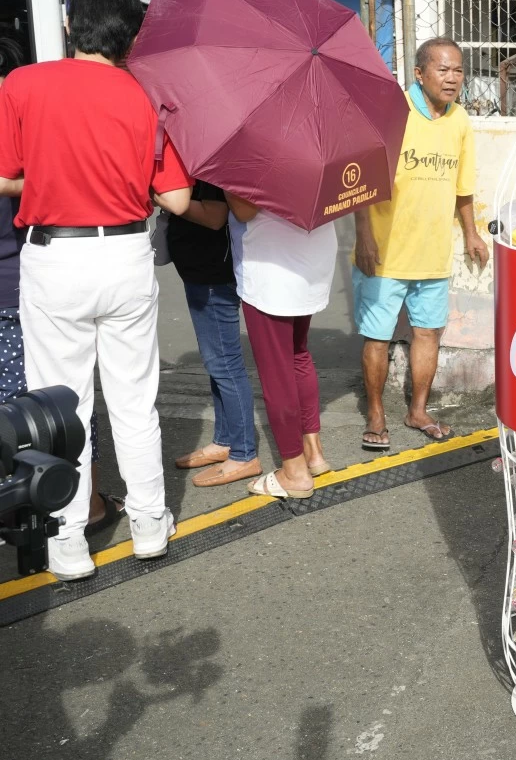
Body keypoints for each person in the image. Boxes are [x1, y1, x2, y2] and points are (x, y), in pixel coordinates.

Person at [0, 0, 192, 581]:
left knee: (61, 403)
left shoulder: (24, 84)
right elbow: (179, 197)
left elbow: (6, 177)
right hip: (127, 253)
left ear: (70, 23)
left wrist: (56, 183)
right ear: (130, 36)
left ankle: (68, 545)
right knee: (135, 400)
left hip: (55, 256)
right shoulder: (149, 95)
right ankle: (150, 527)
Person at [0, 32, 120, 534]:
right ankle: (82, 505)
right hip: (19, 288)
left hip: (15, 289)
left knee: (10, 407)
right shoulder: (22, 130)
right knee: (59, 400)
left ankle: (16, 510)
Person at [353, 38, 488, 449]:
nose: (452, 79)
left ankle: (418, 411)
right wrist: (363, 238)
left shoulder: (460, 120)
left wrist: (470, 232)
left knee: (428, 333)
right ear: (419, 73)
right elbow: (361, 178)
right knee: (377, 336)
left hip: (433, 253)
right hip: (386, 252)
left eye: (458, 71)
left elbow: (463, 187)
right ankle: (376, 415)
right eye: (443, 70)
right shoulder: (392, 114)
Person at [226, 194, 336, 499]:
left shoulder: (254, 149)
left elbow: (244, 210)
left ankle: (294, 472)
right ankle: (313, 453)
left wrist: (225, 184)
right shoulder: (316, 146)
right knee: (298, 353)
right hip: (311, 260)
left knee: (276, 371)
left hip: (271, 268)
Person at [167, 182, 261, 487]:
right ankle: (224, 441)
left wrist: (167, 199)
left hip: (212, 273)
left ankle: (245, 453)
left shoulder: (212, 162)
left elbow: (215, 216)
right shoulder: (200, 154)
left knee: (225, 364)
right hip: (200, 272)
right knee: (216, 363)